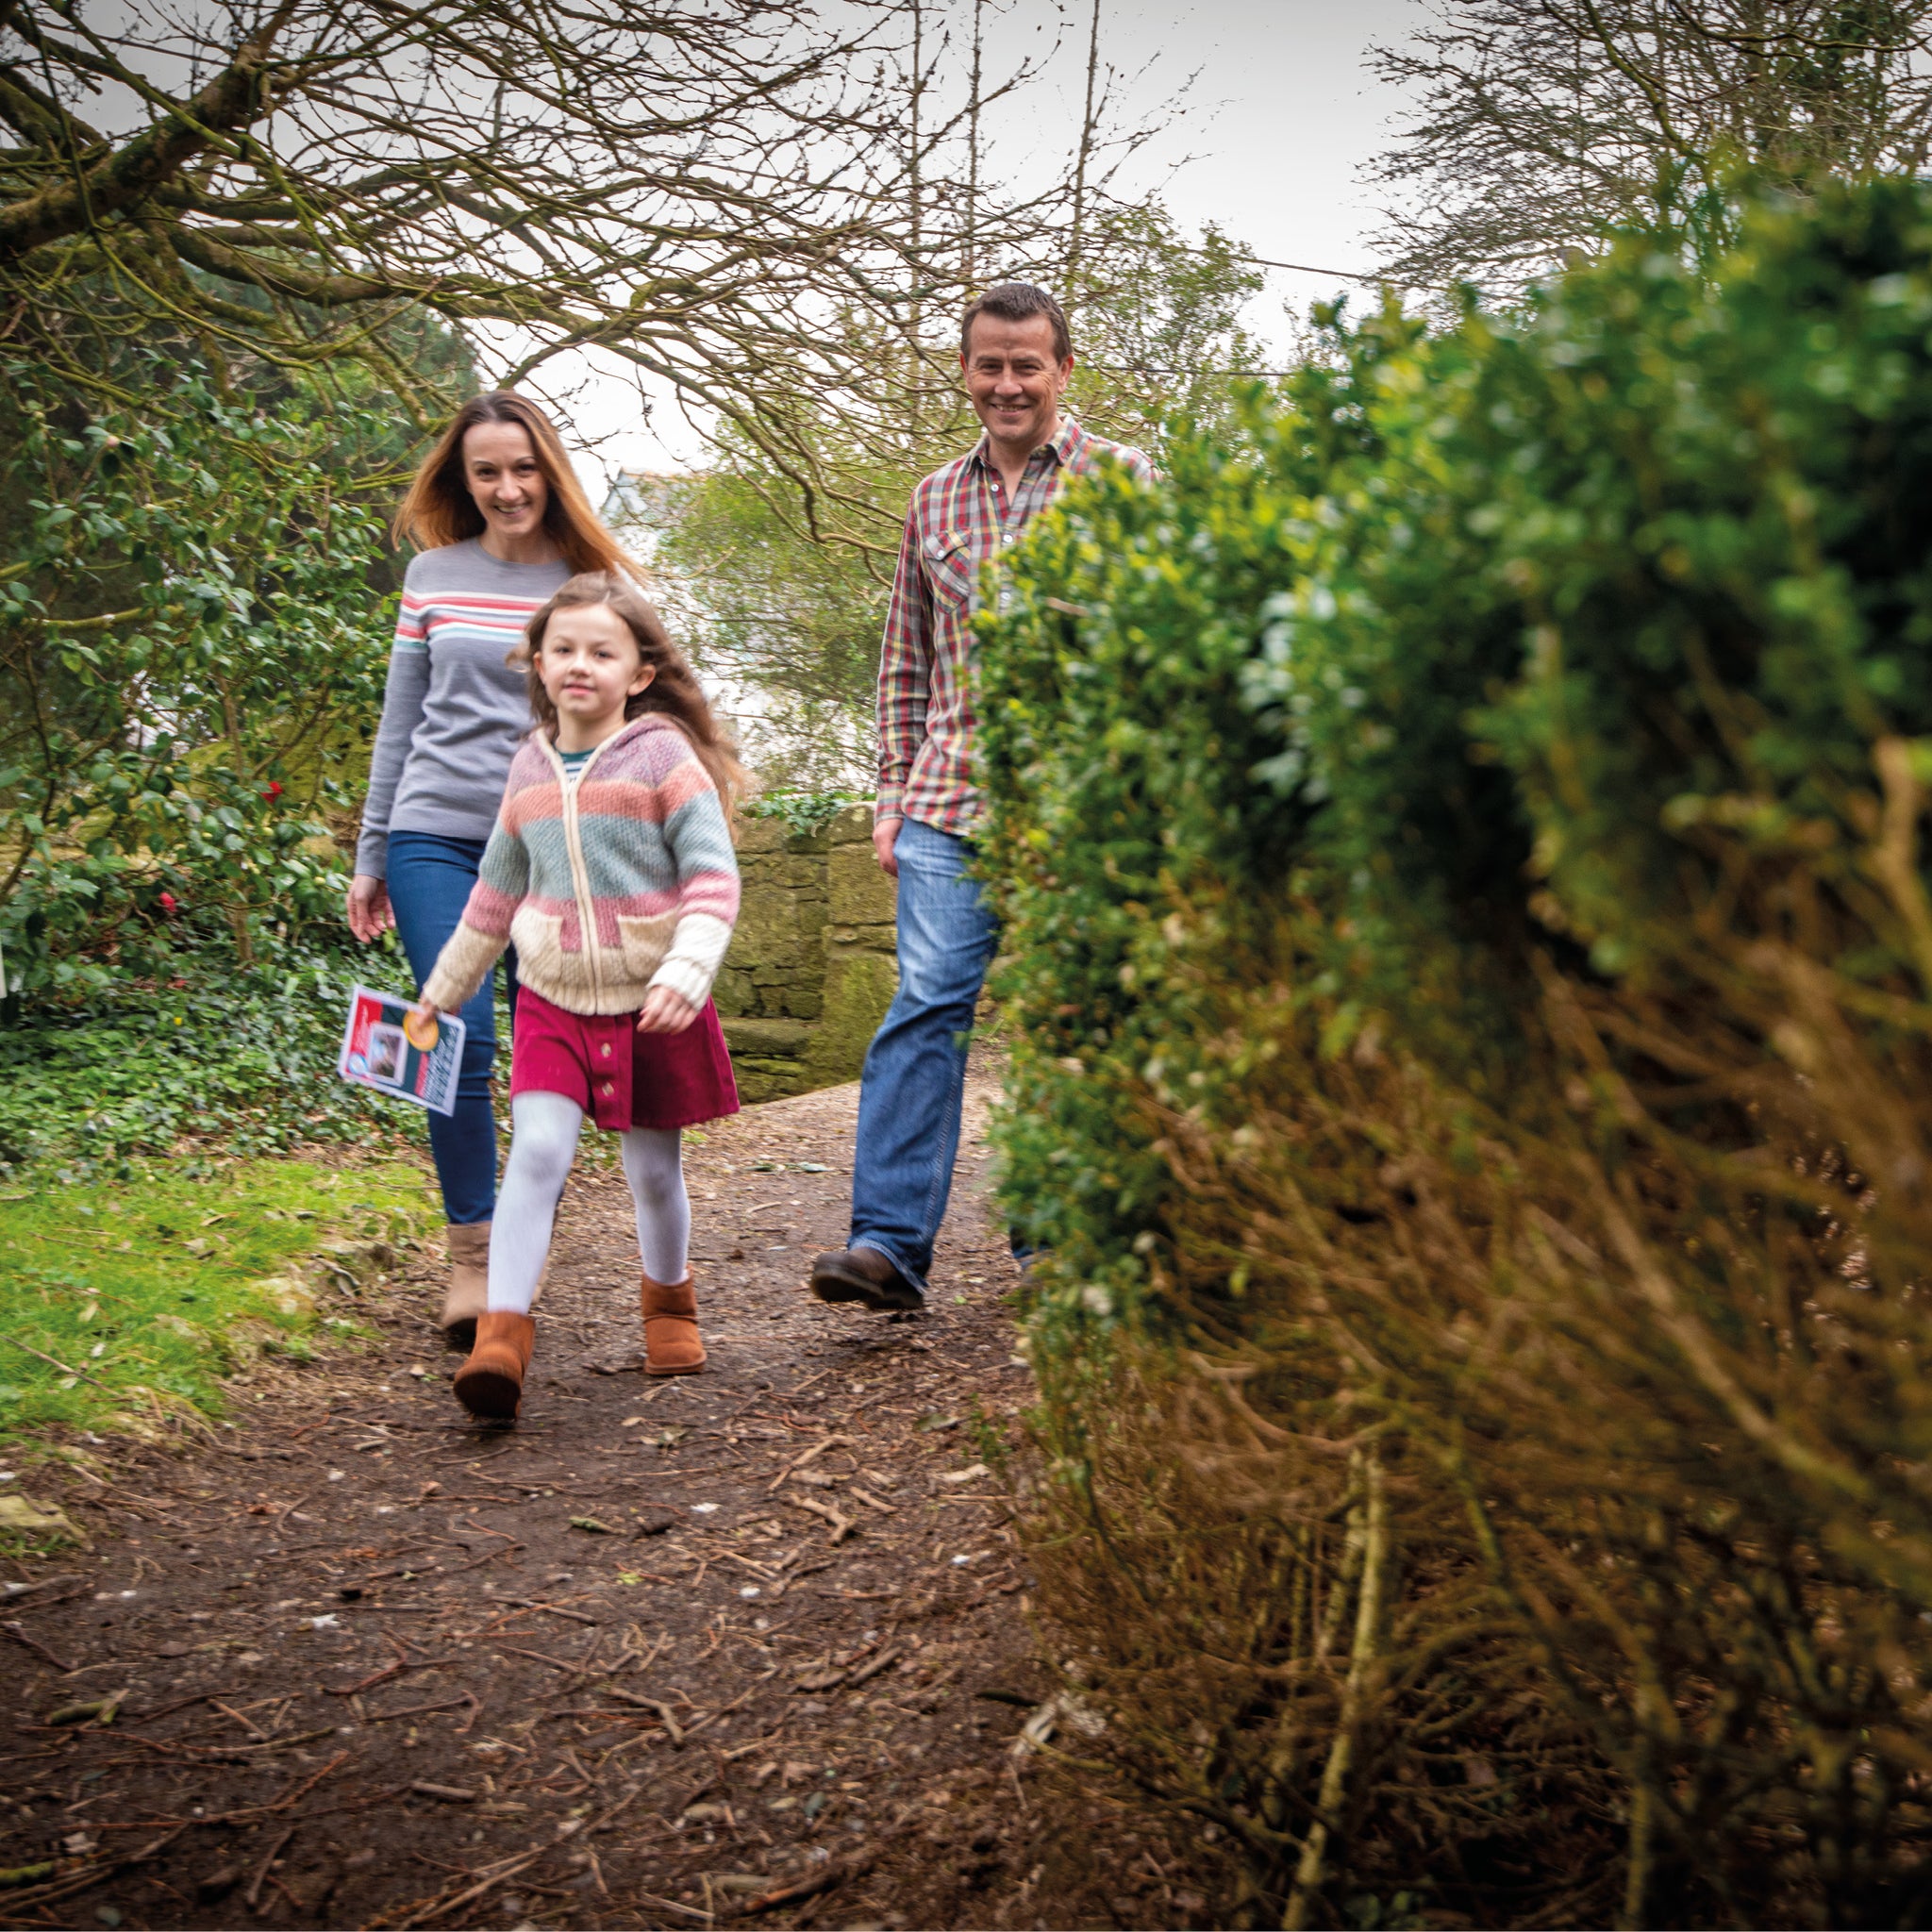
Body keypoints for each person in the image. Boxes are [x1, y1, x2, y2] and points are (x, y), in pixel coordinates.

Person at [810, 284, 1153, 1314]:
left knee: (1065, 1019)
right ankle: (886, 1245)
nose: (1007, 384)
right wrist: (887, 793)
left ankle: (1054, 1243)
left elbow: (1151, 645)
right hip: (947, 805)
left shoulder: (1120, 481)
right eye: (988, 365)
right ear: (964, 370)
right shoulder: (931, 499)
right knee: (923, 1011)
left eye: (1026, 366)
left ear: (1062, 370)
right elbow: (904, 660)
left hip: (1077, 810)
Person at [347, 392, 641, 1349]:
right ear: (461, 479)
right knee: (456, 1030)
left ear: (547, 468)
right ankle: (471, 1250)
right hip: (434, 835)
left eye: (521, 467)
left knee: (544, 1055)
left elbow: (630, 719)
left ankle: (522, 1232)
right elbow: (400, 722)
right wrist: (371, 853)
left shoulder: (587, 581)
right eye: (486, 471)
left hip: (549, 846)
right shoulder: (431, 573)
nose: (507, 487)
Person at [411, 573, 742, 1420]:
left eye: (602, 651)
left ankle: (669, 1301)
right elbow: (494, 897)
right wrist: (443, 992)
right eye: (563, 649)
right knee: (539, 1149)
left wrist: (684, 970)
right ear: (538, 662)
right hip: (553, 997)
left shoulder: (664, 758)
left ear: (638, 672)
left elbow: (712, 880)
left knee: (653, 1173)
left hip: (653, 995)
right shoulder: (525, 765)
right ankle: (502, 1336)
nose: (579, 664)